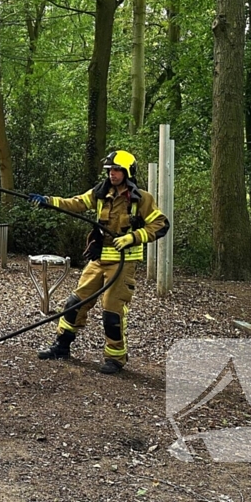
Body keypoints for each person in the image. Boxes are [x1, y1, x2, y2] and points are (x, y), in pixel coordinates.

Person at [29, 150, 169, 375]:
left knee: (112, 312)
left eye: (116, 170)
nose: (112, 175)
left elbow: (160, 225)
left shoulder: (141, 199)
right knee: (75, 302)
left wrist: (133, 237)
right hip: (98, 261)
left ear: (127, 172)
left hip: (123, 265)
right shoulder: (101, 193)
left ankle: (115, 358)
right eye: (110, 170)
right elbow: (75, 203)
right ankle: (61, 347)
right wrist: (48, 201)